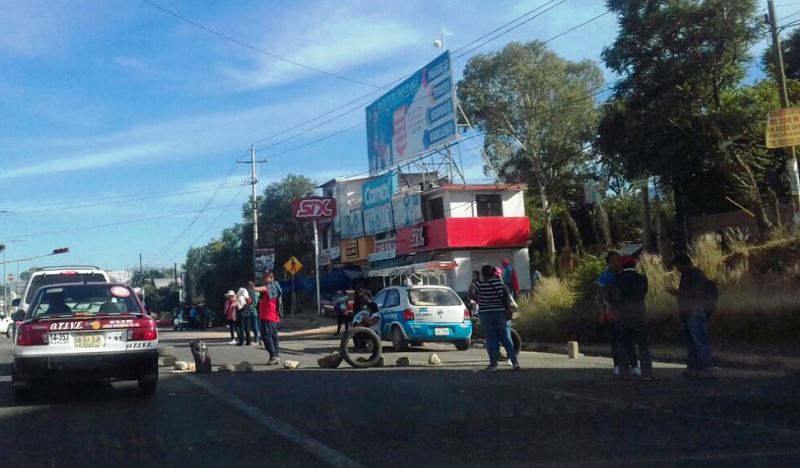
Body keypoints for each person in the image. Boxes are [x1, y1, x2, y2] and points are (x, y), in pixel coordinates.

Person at [608, 256, 655, 380]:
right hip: (639, 313)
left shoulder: (616, 279)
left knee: (622, 344)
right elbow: (644, 293)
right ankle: (647, 372)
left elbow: (615, 297)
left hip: (623, 315)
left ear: (621, 265)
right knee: (643, 344)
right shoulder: (642, 278)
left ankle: (624, 372)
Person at [667, 254, 714, 379]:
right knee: (691, 343)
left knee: (700, 342)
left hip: (696, 311)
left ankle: (705, 369)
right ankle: (693, 368)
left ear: (685, 264)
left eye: (679, 267)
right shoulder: (686, 275)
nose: (678, 270)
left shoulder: (697, 275)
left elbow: (697, 293)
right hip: (687, 312)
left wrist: (678, 293)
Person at [597, 251, 640, 376]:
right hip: (612, 312)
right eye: (612, 261)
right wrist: (601, 312)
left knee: (630, 339)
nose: (616, 263)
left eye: (618, 260)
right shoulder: (605, 277)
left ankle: (634, 364)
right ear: (608, 263)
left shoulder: (625, 274)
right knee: (616, 340)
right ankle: (617, 364)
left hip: (628, 312)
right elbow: (599, 296)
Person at [475, 264, 520, 372]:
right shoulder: (501, 285)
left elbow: (475, 296)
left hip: (485, 314)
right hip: (500, 313)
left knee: (491, 339)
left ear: (483, 274)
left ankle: (493, 364)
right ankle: (514, 362)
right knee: (506, 338)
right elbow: (506, 299)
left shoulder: (479, 285)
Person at [254, 271, 283, 365]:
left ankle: (273, 355)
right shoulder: (276, 287)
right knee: (274, 336)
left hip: (267, 316)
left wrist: (253, 288)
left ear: (271, 278)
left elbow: (261, 289)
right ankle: (275, 356)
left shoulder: (269, 287)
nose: (265, 279)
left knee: (266, 336)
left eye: (266, 278)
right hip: (273, 316)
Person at [248, 280, 261, 344]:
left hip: (255, 312)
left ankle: (257, 339)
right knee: (253, 326)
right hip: (252, 311)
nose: (250, 286)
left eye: (250, 285)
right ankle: (257, 339)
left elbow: (255, 303)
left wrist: (249, 306)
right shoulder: (252, 293)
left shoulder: (255, 294)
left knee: (255, 326)